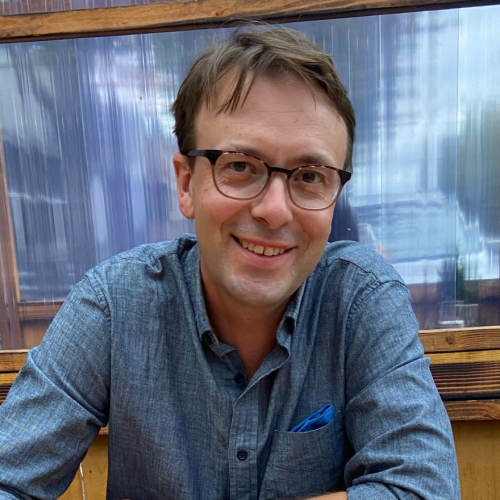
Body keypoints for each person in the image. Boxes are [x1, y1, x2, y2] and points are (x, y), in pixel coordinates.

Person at [0, 26, 459, 500]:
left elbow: (425, 489)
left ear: (334, 195)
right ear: (186, 183)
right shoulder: (114, 305)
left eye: (308, 176)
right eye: (240, 166)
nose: (275, 210)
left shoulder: (360, 298)